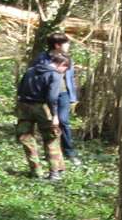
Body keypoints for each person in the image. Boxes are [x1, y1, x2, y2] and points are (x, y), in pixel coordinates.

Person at [15, 51, 67, 181]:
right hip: (43, 108)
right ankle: (54, 172)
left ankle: (36, 170)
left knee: (26, 138)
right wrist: (55, 115)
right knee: (51, 138)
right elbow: (52, 97)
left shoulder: (30, 71)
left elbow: (20, 90)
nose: (64, 72)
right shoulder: (54, 75)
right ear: (62, 64)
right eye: (65, 69)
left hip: (24, 106)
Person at [44, 32, 81, 166]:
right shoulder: (43, 59)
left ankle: (69, 152)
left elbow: (70, 78)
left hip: (64, 94)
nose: (68, 46)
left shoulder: (67, 58)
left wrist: (73, 96)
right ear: (57, 45)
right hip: (48, 96)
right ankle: (53, 152)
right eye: (66, 43)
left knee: (63, 121)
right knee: (51, 123)